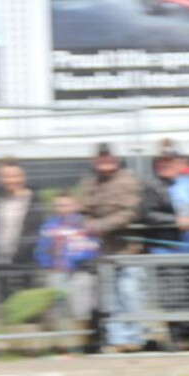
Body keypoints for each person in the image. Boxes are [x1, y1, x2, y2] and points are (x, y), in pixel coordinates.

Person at [76, 144, 142, 351]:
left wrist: (102, 226)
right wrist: (89, 225)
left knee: (130, 293)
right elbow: (84, 211)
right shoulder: (89, 183)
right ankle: (117, 339)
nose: (105, 161)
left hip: (129, 249)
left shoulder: (129, 180)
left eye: (108, 157)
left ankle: (135, 338)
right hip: (105, 251)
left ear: (116, 159)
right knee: (110, 297)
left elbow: (131, 212)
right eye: (101, 158)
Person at [141, 149, 189, 349]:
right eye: (162, 162)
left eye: (170, 161)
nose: (166, 166)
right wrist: (175, 220)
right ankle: (177, 336)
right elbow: (147, 213)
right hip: (168, 247)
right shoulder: (151, 185)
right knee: (172, 294)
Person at [0, 159, 43, 303]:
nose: (11, 180)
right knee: (5, 302)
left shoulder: (33, 199)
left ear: (23, 176)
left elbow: (36, 229)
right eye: (6, 176)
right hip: (1, 258)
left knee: (26, 302)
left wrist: (21, 250)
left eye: (15, 175)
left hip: (25, 259)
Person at [35, 193, 98, 322]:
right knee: (59, 304)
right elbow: (42, 248)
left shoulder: (86, 224)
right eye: (59, 205)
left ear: (76, 205)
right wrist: (47, 264)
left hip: (81, 271)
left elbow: (95, 245)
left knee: (81, 306)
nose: (63, 209)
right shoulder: (50, 225)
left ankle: (83, 328)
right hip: (57, 270)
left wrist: (82, 259)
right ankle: (64, 329)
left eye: (67, 205)